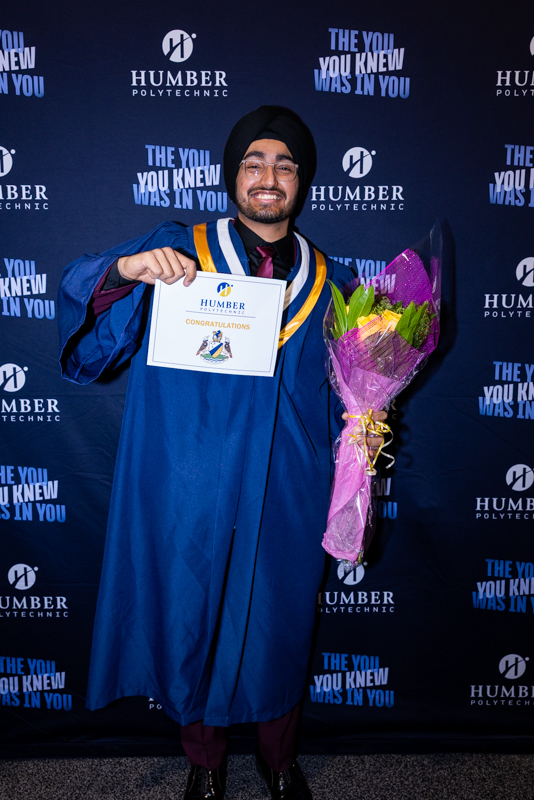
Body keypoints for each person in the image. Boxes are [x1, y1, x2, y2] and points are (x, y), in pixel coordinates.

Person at [58, 106, 385, 800]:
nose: (269, 176)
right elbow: (91, 328)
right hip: (191, 476)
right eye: (254, 162)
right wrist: (125, 270)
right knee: (193, 613)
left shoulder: (336, 280)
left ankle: (278, 758)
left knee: (281, 623)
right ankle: (204, 762)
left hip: (287, 484)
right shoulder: (181, 251)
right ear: (233, 175)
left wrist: (365, 431)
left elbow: (350, 394)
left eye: (285, 164)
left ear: (302, 181)